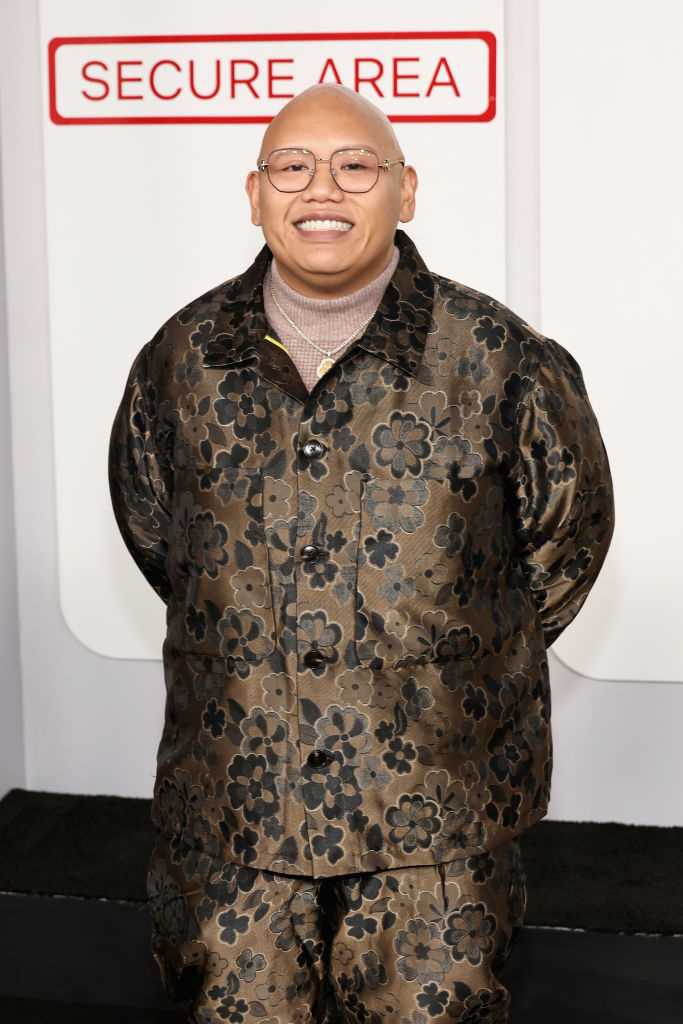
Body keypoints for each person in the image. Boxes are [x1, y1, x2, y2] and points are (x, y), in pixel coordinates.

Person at [109, 84, 614, 1024]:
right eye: (291, 167)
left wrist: (436, 667)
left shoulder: (500, 359)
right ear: (255, 193)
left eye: (354, 165)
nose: (321, 190)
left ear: (406, 190)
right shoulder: (180, 360)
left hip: (435, 827)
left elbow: (564, 544)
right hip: (235, 823)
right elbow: (157, 540)